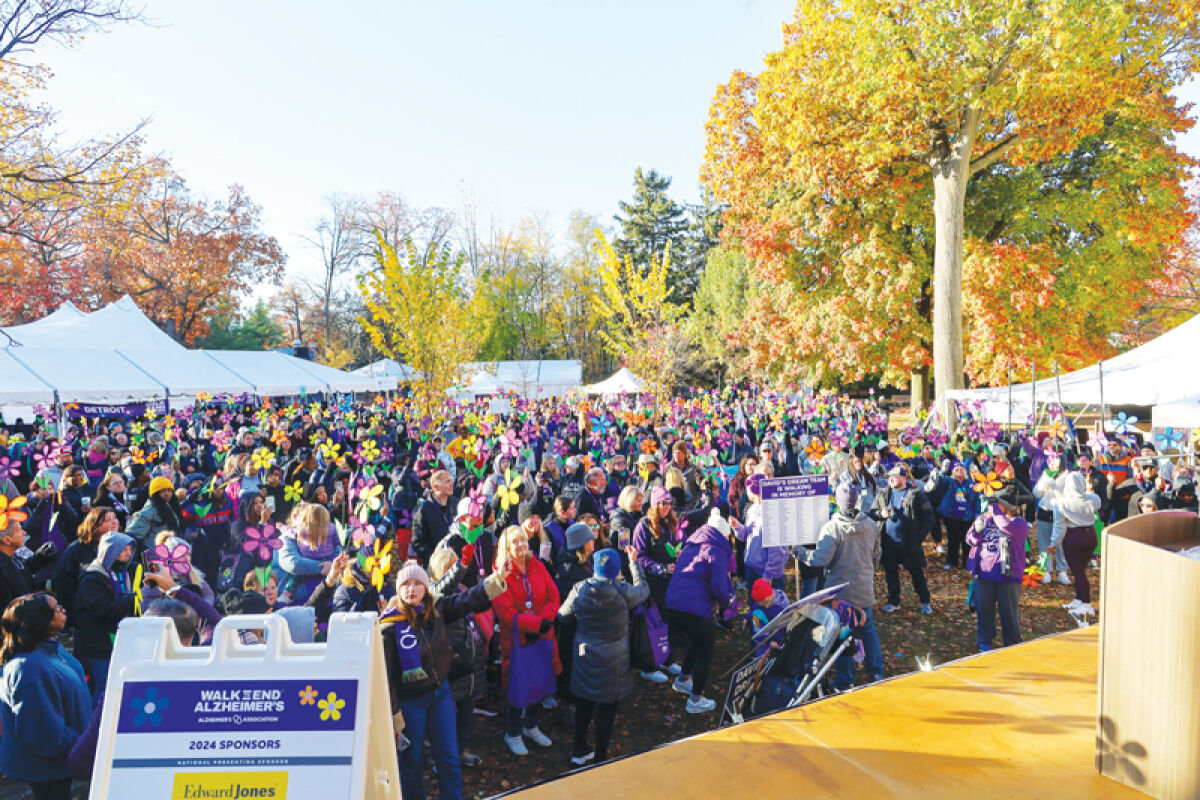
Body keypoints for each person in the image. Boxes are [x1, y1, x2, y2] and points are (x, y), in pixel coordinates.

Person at [381, 558, 507, 800]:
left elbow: (467, 600)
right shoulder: (388, 626)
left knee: (449, 756)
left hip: (440, 695)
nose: (412, 589)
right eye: (406, 583)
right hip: (409, 704)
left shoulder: (436, 609)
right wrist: (395, 717)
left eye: (418, 583)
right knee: (411, 761)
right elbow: (387, 680)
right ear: (398, 589)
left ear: (426, 587)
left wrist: (496, 579)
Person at [557, 546, 648, 765]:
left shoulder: (580, 588)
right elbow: (643, 590)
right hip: (614, 658)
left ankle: (579, 749)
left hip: (584, 653)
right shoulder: (623, 591)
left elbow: (562, 616)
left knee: (584, 701)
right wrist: (634, 564)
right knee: (607, 706)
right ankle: (601, 756)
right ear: (617, 570)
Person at [0, 593, 92, 800]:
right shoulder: (29, 669)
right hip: (46, 768)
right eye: (56, 608)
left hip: (64, 758)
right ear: (40, 620)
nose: (63, 609)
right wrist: (87, 745)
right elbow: (45, 735)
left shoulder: (52, 648)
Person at [798, 482, 884, 690]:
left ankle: (845, 680)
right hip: (863, 588)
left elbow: (820, 559)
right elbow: (876, 554)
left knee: (842, 636)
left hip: (840, 592)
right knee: (867, 630)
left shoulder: (833, 527)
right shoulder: (871, 525)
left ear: (837, 501)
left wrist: (800, 552)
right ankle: (876, 672)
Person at [491, 524, 561, 757]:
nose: (521, 545)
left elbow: (553, 594)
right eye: (515, 542)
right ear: (507, 547)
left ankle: (531, 726)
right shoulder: (502, 573)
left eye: (523, 540)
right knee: (517, 685)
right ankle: (513, 732)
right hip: (517, 639)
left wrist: (544, 622)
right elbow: (504, 610)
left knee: (538, 681)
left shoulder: (537, 565)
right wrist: (532, 625)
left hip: (542, 634)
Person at [664, 509, 735, 714]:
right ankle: (695, 700)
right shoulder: (716, 549)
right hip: (695, 606)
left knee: (695, 641)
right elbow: (719, 584)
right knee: (705, 649)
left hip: (675, 602)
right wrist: (728, 603)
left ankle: (683, 679)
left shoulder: (691, 544)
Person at [73, 531, 137, 690]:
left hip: (118, 641)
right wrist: (128, 602)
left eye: (130, 550)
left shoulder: (123, 572)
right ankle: (96, 716)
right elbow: (102, 611)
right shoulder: (93, 578)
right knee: (103, 687)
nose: (128, 554)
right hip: (98, 645)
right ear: (110, 552)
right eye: (123, 550)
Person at [630, 487, 681, 684]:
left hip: (670, 583)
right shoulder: (643, 526)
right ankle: (649, 665)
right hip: (652, 584)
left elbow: (674, 546)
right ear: (654, 504)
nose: (667, 507)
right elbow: (639, 556)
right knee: (653, 625)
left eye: (669, 504)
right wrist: (660, 568)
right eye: (663, 503)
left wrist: (677, 554)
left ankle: (667, 659)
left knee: (669, 621)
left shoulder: (670, 523)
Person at [868, 465, 935, 614]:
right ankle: (893, 601)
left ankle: (925, 602)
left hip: (909, 544)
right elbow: (871, 512)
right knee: (890, 574)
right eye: (889, 477)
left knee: (916, 573)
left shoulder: (916, 494)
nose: (891, 479)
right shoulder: (883, 494)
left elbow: (929, 517)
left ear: (904, 478)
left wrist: (917, 537)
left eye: (895, 476)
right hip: (888, 542)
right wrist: (880, 513)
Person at [966, 499, 1029, 651]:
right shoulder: (983, 519)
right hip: (984, 574)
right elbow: (970, 539)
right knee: (984, 610)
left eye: (997, 504)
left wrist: (994, 508)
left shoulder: (1019, 523)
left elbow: (1006, 527)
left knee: (1008, 613)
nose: (991, 507)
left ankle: (1012, 644)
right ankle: (984, 642)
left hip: (1008, 576)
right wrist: (977, 532)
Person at [51, 508, 116, 622]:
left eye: (115, 518)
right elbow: (63, 584)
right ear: (95, 526)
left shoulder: (114, 545)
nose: (114, 522)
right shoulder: (77, 550)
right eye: (108, 520)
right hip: (83, 609)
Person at [1051, 472, 1101, 616]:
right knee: (1081, 570)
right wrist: (1090, 487)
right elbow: (1095, 498)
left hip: (1074, 537)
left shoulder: (1062, 504)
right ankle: (1079, 598)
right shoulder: (1093, 499)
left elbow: (1059, 526)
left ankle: (1086, 603)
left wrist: (1053, 543)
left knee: (1078, 572)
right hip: (1090, 535)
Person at [274, 502, 340, 604]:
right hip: (300, 599)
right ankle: (287, 594)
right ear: (295, 517)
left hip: (324, 594)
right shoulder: (286, 539)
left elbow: (337, 549)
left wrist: (331, 563)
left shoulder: (324, 531)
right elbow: (293, 564)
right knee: (294, 579)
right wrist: (325, 567)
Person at [0, 518, 57, 614]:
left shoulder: (11, 556)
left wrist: (39, 557)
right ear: (7, 540)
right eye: (18, 531)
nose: (24, 533)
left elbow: (23, 570)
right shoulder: (2, 568)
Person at [125, 476, 183, 550]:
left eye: (169, 490)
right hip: (155, 558)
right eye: (162, 491)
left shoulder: (170, 508)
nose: (167, 494)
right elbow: (132, 537)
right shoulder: (147, 512)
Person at [411, 469, 456, 565]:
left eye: (451, 481)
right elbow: (417, 542)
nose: (452, 484)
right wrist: (435, 558)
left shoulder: (456, 503)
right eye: (447, 481)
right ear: (436, 487)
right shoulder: (423, 509)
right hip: (435, 564)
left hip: (456, 561)